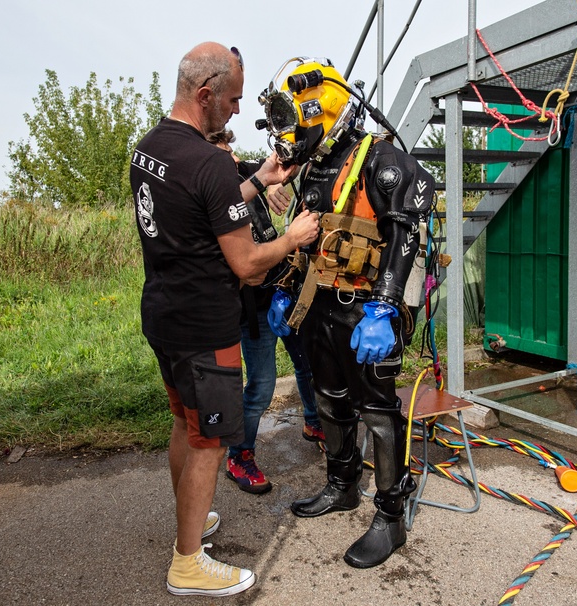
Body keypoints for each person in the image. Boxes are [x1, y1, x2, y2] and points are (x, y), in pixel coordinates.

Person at [130, 42, 319, 597]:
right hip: (206, 324)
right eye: (233, 100)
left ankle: (190, 523)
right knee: (209, 441)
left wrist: (259, 179)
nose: (238, 110)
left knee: (184, 424)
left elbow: (203, 205)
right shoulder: (209, 160)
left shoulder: (152, 149)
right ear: (205, 93)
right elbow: (246, 262)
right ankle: (188, 563)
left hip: (163, 313)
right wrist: (291, 238)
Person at [261, 57, 435, 568]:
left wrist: (384, 307)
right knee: (330, 400)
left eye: (297, 123)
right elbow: (308, 237)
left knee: (378, 412)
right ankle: (342, 486)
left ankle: (390, 517)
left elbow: (407, 232)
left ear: (326, 111)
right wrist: (284, 290)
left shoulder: (380, 160)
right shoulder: (314, 167)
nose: (291, 136)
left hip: (367, 313)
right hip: (321, 310)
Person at [207, 129, 324, 495]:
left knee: (306, 365)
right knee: (261, 385)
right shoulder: (209, 198)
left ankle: (313, 421)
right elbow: (241, 266)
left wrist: (272, 185)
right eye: (222, 152)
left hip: (284, 292)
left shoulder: (244, 175)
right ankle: (240, 455)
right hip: (253, 307)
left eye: (231, 150)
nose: (232, 158)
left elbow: (282, 166)